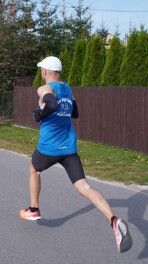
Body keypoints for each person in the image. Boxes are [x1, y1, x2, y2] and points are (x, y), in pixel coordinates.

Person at [19, 56, 132, 253]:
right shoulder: (68, 88)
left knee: (33, 169)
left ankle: (34, 209)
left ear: (45, 71)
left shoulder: (44, 88)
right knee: (84, 187)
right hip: (69, 148)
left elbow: (51, 105)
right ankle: (114, 221)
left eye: (41, 70)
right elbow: (76, 112)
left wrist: (39, 115)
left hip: (49, 147)